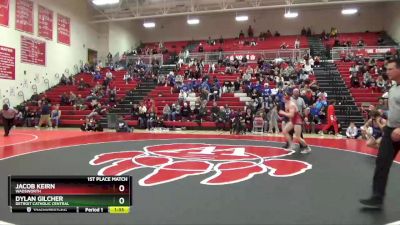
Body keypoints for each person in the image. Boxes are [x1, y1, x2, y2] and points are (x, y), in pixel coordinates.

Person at [360, 58, 400, 208]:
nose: (387, 72)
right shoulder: (393, 88)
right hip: (391, 130)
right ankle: (377, 197)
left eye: (390, 69)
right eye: (387, 69)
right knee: (382, 162)